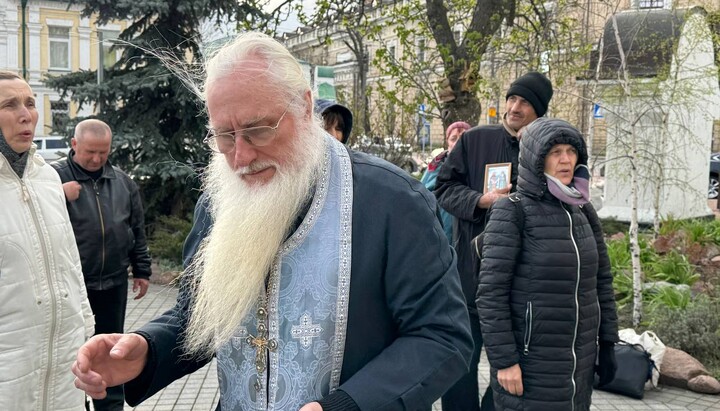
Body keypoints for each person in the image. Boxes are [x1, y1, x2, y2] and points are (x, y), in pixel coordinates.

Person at [71, 32, 473, 411]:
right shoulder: (220, 198)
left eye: (257, 130)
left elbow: (442, 337)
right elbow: (202, 314)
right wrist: (145, 349)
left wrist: (346, 405)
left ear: (304, 106)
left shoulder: (392, 200)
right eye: (224, 136)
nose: (240, 158)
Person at [477, 118, 619, 410]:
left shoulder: (583, 210)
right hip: (530, 365)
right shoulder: (513, 210)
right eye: (555, 152)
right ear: (536, 158)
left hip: (577, 365)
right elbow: (491, 294)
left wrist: (607, 344)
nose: (565, 159)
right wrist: (505, 362)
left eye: (571, 151)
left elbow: (601, 282)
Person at [435, 71, 554, 411]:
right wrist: (481, 200)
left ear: (539, 111)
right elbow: (444, 188)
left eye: (526, 103)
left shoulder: (547, 149)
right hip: (472, 278)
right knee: (460, 365)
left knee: (513, 370)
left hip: (521, 285)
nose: (515, 108)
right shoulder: (476, 141)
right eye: (512, 99)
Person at [0, 70, 95, 410]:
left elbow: (69, 260)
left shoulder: (48, 179)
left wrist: (86, 328)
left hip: (64, 370)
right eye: (10, 105)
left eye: (29, 103)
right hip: (10, 376)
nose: (26, 114)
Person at [52, 119, 152, 411]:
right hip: (72, 285)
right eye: (90, 152)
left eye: (103, 153)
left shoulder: (123, 182)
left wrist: (142, 270)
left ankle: (111, 406)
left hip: (113, 282)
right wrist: (58, 194)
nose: (96, 159)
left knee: (112, 350)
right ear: (74, 145)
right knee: (72, 353)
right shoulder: (51, 179)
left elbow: (136, 228)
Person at [421, 121, 471, 243]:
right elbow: (422, 192)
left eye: (463, 138)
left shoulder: (477, 165)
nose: (458, 143)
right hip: (440, 225)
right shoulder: (437, 165)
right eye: (453, 139)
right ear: (447, 142)